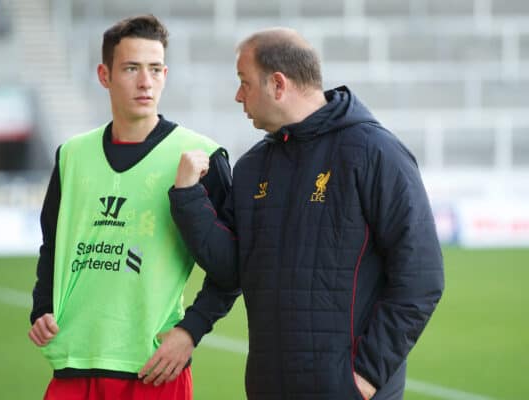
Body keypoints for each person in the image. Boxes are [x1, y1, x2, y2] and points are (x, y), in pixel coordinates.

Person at [169, 28, 444, 399]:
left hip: (348, 391)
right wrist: (188, 199)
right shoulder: (252, 167)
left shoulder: (376, 152)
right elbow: (232, 270)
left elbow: (421, 278)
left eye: (244, 82)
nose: (238, 96)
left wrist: (364, 376)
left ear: (278, 85)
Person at [28, 15, 238, 400]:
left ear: (165, 73)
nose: (146, 82)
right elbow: (52, 245)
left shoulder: (201, 156)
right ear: (104, 75)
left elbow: (234, 264)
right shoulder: (72, 155)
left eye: (155, 69)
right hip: (74, 361)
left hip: (153, 368)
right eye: (131, 68)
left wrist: (191, 330)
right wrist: (41, 306)